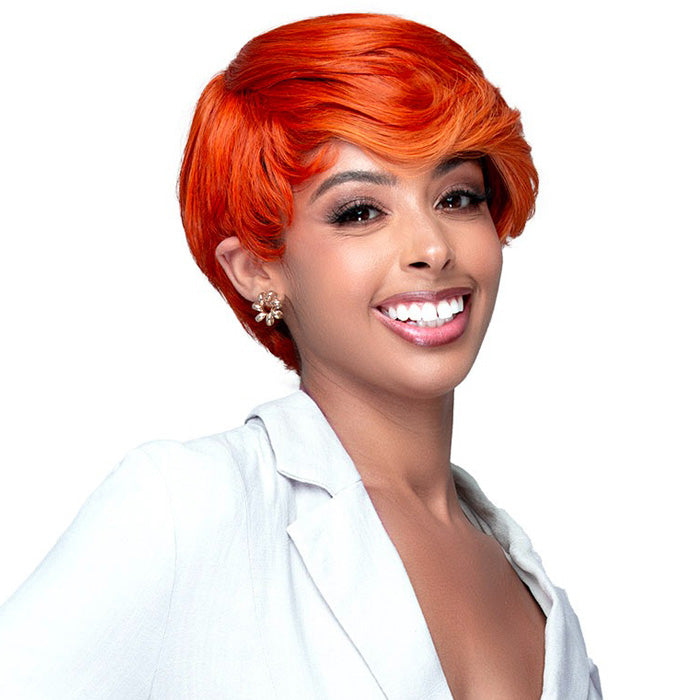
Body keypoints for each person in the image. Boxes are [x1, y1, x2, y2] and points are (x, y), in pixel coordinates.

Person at [0, 13, 601, 700]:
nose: (433, 247)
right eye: (359, 212)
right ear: (258, 269)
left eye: (457, 197)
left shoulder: (538, 595)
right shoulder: (189, 507)